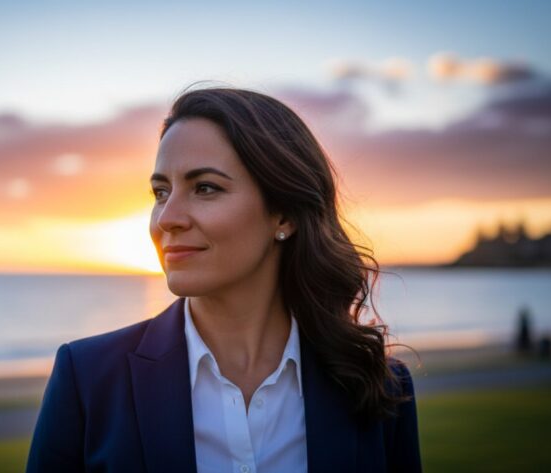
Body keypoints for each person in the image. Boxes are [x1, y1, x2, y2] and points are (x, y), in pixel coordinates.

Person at [26, 87, 422, 472]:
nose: (167, 218)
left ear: (283, 215)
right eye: (161, 192)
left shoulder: (377, 386)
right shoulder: (88, 379)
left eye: (205, 188)